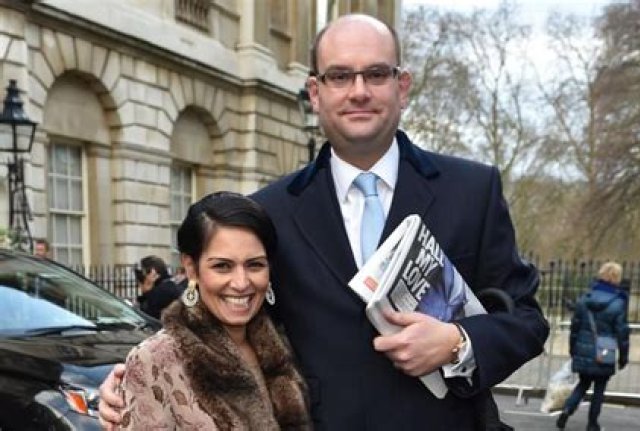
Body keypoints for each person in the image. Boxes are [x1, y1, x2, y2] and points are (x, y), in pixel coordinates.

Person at [100, 14, 548, 430]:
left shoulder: (471, 190)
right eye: (340, 76)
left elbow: (526, 320)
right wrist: (138, 377)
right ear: (315, 92)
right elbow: (226, 318)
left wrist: (456, 342)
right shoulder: (271, 209)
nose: (359, 91)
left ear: (402, 86)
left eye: (376, 74)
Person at [116, 192, 310, 429]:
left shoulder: (287, 344)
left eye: (255, 265)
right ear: (191, 268)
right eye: (222, 266)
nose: (241, 283)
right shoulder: (155, 359)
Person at [556, 262, 630, 431]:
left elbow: (575, 327)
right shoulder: (618, 303)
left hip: (584, 348)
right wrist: (623, 357)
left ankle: (567, 410)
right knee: (599, 389)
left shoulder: (585, 299)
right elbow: (622, 333)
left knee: (583, 384)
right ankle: (592, 423)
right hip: (605, 351)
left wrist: (573, 349)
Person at [134, 255, 182, 319]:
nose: (139, 284)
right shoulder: (169, 285)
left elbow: (147, 317)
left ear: (152, 273)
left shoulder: (160, 292)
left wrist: (147, 292)